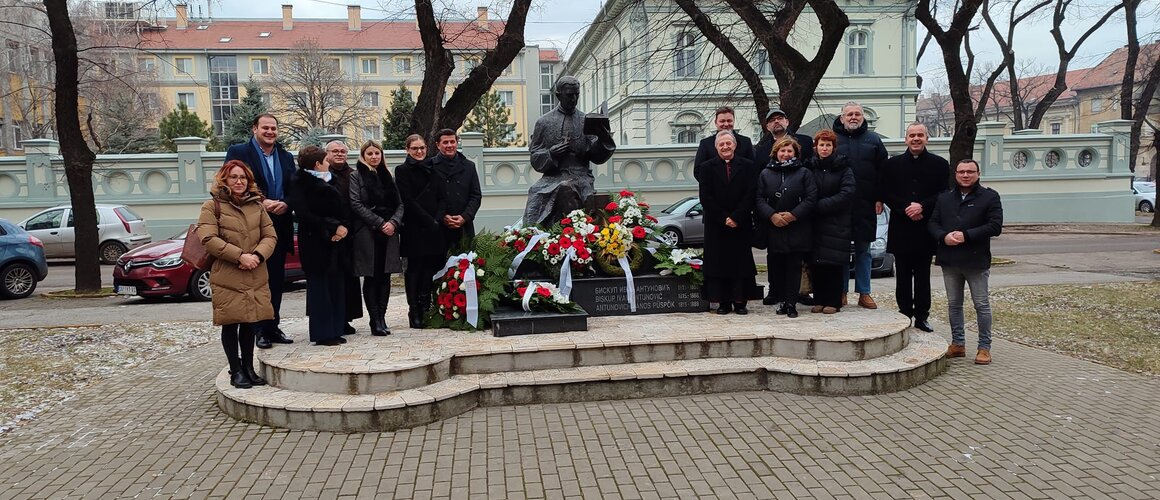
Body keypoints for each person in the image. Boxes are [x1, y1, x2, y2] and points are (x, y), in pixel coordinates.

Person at [197, 160, 277, 389]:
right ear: (224, 179)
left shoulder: (257, 206)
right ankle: (236, 369)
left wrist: (257, 257)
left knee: (250, 322)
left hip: (255, 271)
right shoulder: (212, 206)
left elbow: (270, 236)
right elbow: (208, 239)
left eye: (243, 177)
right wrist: (240, 256)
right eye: (234, 177)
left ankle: (249, 367)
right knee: (231, 323)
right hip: (228, 274)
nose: (239, 181)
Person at [224, 113, 294, 349]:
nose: (270, 132)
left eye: (274, 128)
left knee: (275, 281)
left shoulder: (285, 156)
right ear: (255, 129)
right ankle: (258, 331)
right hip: (250, 228)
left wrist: (286, 202)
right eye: (265, 127)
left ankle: (273, 327)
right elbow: (231, 183)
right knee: (255, 283)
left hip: (279, 226)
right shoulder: (239, 152)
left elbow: (293, 186)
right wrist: (261, 202)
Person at [929, 159, 1003, 365]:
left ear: (978, 174)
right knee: (954, 304)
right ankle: (958, 344)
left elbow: (995, 226)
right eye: (961, 171)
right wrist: (943, 236)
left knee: (981, 304)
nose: (965, 175)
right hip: (949, 259)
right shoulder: (944, 198)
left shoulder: (989, 197)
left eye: (970, 171)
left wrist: (966, 235)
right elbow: (933, 223)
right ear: (956, 174)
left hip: (976, 260)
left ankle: (984, 347)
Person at [880, 123, 949, 332]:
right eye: (912, 135)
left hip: (925, 228)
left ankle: (921, 316)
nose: (916, 139)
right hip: (901, 227)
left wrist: (922, 207)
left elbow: (943, 193)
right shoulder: (893, 165)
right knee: (902, 275)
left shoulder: (939, 164)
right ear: (906, 139)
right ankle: (904, 314)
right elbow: (887, 193)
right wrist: (905, 208)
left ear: (927, 138)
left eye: (920, 135)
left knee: (922, 277)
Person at [524, 75, 616, 226]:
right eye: (569, 95)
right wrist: (551, 154)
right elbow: (535, 157)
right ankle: (532, 237)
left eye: (576, 95)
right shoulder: (544, 122)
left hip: (581, 176)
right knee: (536, 192)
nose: (573, 99)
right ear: (558, 95)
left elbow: (597, 157)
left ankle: (576, 234)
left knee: (566, 187)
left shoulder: (586, 120)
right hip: (552, 177)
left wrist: (603, 137)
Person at [289, 146, 349, 346]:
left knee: (335, 285)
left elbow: (343, 207)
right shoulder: (300, 182)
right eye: (326, 160)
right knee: (319, 288)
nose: (329, 163)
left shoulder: (331, 179)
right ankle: (323, 333)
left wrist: (342, 228)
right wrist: (332, 228)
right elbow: (304, 213)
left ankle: (336, 328)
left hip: (337, 241)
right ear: (317, 163)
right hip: (315, 240)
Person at [832, 101, 888, 309]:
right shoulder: (832, 140)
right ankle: (841, 292)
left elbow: (883, 172)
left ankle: (864, 293)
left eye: (857, 114)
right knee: (841, 251)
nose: (853, 117)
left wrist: (879, 198)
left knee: (864, 250)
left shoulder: (874, 140)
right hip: (840, 206)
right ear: (842, 117)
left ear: (863, 117)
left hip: (865, 204)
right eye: (849, 114)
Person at [698, 131, 758, 315]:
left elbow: (751, 193)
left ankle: (740, 302)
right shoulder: (706, 167)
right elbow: (705, 197)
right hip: (717, 224)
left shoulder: (748, 166)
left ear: (735, 145)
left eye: (728, 143)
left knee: (740, 263)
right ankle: (723, 301)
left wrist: (737, 216)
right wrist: (724, 217)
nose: (725, 147)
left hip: (740, 224)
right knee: (719, 263)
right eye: (721, 144)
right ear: (716, 147)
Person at [755, 137, 816, 318]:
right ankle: (781, 301)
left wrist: (793, 215)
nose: (785, 154)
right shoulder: (766, 173)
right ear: (776, 153)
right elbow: (758, 198)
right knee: (777, 268)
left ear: (796, 153)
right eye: (782, 151)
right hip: (774, 226)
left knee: (794, 267)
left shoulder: (804, 173)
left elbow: (811, 198)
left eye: (789, 151)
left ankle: (791, 303)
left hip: (797, 226)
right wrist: (772, 215)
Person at [349, 140, 404, 337]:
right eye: (370, 154)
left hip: (389, 234)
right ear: (363, 156)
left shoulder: (388, 176)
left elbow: (400, 204)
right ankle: (374, 320)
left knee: (385, 277)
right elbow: (355, 204)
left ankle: (383, 317)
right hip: (368, 233)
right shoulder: (356, 176)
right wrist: (380, 223)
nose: (374, 157)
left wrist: (394, 223)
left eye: (377, 153)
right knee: (372, 278)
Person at [395, 134, 445, 328]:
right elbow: (407, 199)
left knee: (430, 268)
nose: (419, 151)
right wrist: (427, 220)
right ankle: (414, 309)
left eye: (422, 148)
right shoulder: (402, 170)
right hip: (415, 227)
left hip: (434, 227)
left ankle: (425, 307)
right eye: (415, 148)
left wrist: (438, 219)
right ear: (408, 150)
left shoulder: (434, 169)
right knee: (414, 269)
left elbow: (442, 197)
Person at [807, 129, 856, 314]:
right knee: (817, 263)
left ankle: (833, 301)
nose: (824, 148)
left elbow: (847, 192)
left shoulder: (843, 168)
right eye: (821, 145)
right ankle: (818, 299)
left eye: (828, 145)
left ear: (834, 148)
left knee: (833, 265)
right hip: (815, 223)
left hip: (836, 222)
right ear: (816, 147)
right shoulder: (810, 166)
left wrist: (823, 205)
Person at [325, 140, 364, 336]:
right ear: (327, 154)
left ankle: (347, 318)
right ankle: (335, 318)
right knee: (334, 278)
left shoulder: (354, 175)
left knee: (350, 278)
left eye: (343, 151)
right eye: (335, 151)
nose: (339, 154)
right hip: (330, 235)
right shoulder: (324, 174)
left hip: (352, 233)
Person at [431, 129, 482, 251]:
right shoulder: (430, 166)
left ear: (457, 143)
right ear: (438, 145)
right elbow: (428, 198)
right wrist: (442, 216)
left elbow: (475, 195)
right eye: (445, 142)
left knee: (465, 266)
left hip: (464, 226)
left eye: (452, 142)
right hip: (439, 227)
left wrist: (464, 217)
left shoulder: (469, 166)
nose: (449, 145)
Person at [693, 106, 755, 181]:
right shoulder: (706, 144)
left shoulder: (745, 142)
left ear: (733, 121)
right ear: (716, 123)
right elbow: (698, 171)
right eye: (722, 121)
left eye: (729, 121)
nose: (726, 124)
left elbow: (753, 167)